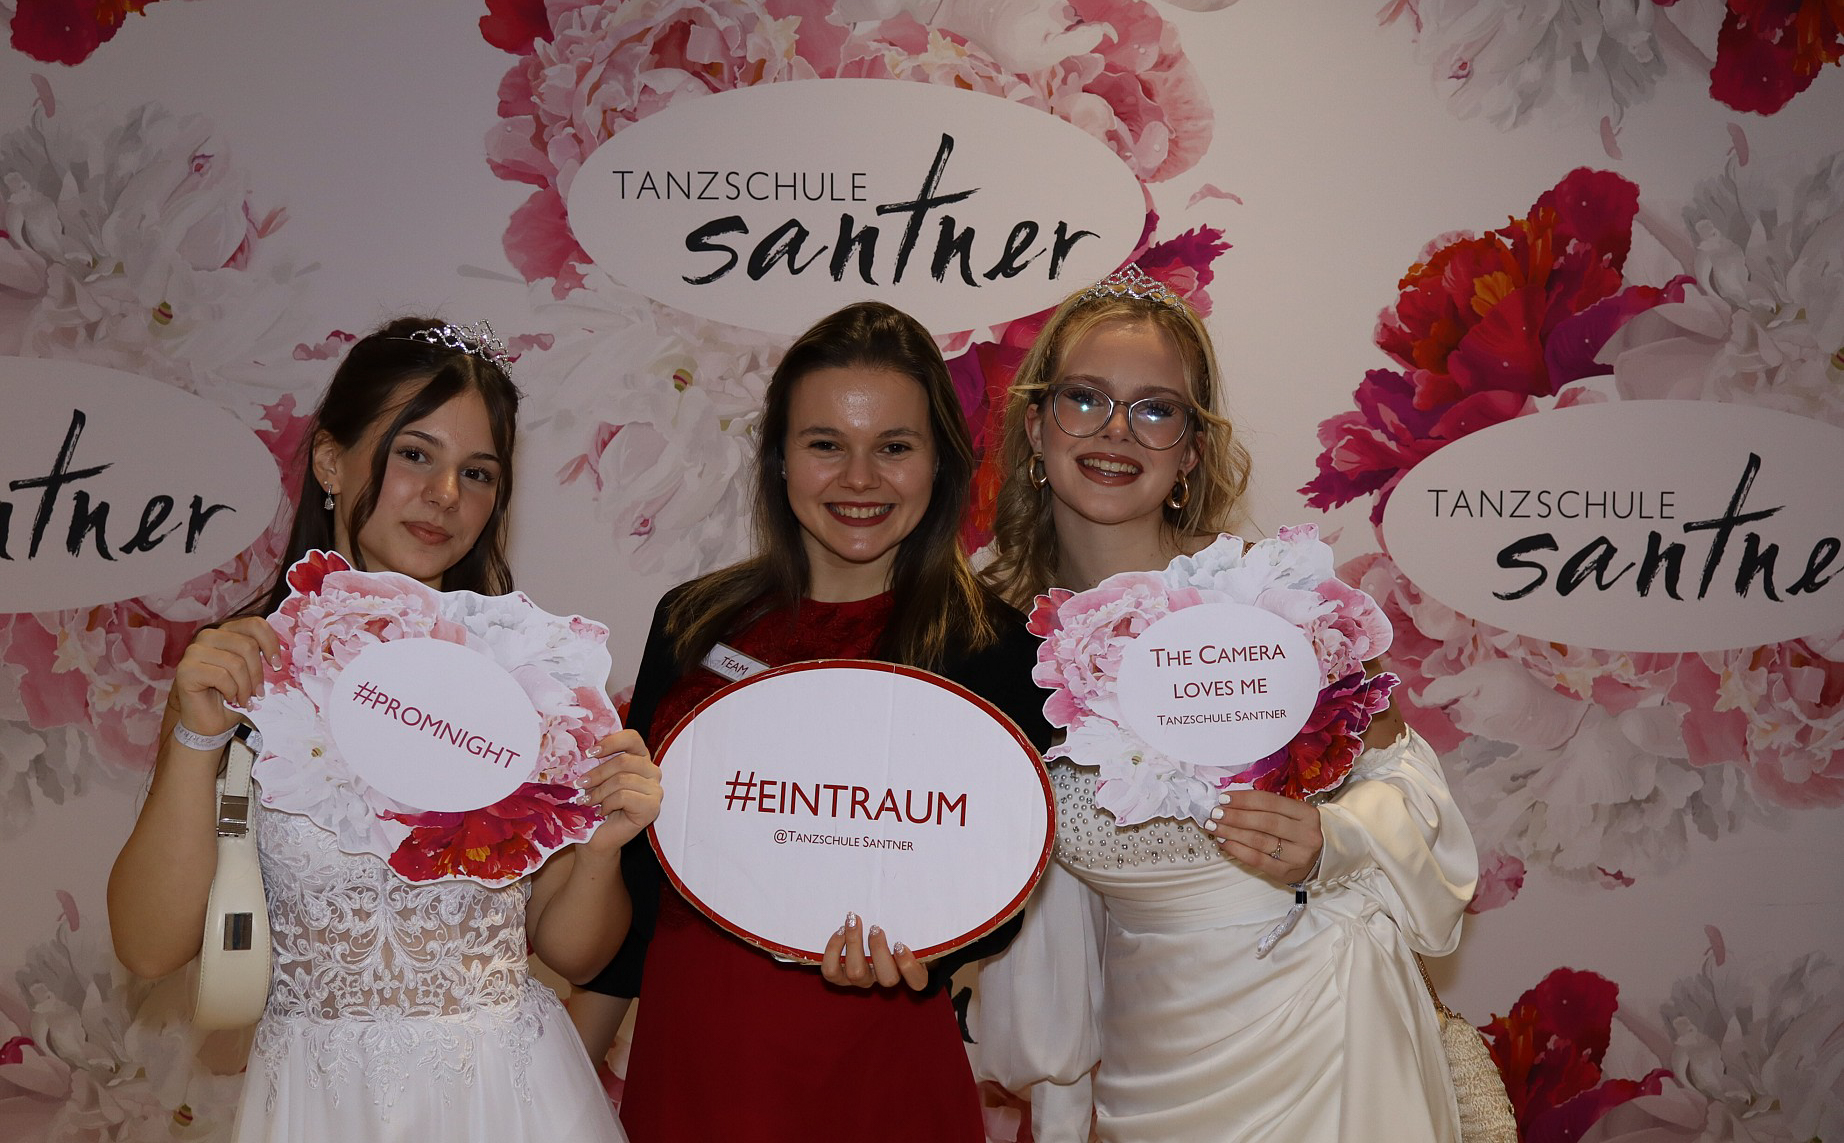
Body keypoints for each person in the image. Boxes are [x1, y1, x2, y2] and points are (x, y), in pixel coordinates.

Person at [108, 315, 659, 1142]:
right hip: (321, 1103)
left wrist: (603, 846)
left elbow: (574, 953)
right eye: (415, 454)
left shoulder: (523, 681)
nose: (447, 495)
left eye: (478, 472)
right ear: (331, 461)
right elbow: (148, 948)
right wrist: (196, 739)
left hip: (509, 1100)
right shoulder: (249, 671)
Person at [974, 266, 1479, 1142]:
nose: (1115, 431)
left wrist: (1333, 840)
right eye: (1084, 398)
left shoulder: (1270, 602)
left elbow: (1409, 785)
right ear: (1035, 425)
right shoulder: (987, 639)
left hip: (1326, 1044)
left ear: (1191, 451)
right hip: (1145, 1063)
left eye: (1155, 409)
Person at [574, 302, 1051, 1143]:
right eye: (826, 444)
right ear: (780, 459)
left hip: (881, 1078)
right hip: (694, 1069)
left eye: (894, 447)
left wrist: (927, 951)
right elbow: (640, 898)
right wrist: (554, 1090)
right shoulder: (692, 623)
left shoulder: (1000, 653)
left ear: (941, 461)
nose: (859, 479)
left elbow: (999, 893)